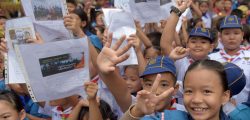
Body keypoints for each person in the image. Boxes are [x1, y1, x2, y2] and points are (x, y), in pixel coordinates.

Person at [121, 60, 230, 120]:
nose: (196, 99)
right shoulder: (170, 118)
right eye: (189, 91)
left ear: (224, 96)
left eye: (207, 91)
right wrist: (137, 111)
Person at [209, 15, 250, 104]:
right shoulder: (211, 59)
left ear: (242, 35)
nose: (231, 37)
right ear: (220, 36)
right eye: (227, 33)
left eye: (236, 33)